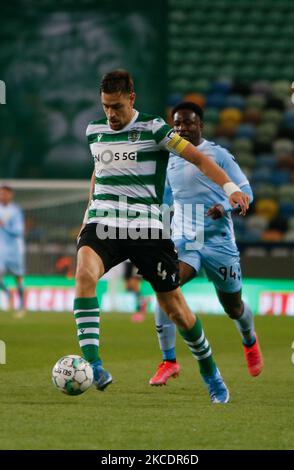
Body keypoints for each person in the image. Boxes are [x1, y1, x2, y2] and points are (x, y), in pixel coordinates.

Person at [74, 70, 250, 404]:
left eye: (117, 107)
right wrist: (87, 217)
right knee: (84, 274)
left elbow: (197, 158)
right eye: (106, 106)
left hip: (147, 230)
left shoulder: (155, 128)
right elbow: (98, 174)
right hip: (104, 223)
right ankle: (95, 365)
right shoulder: (93, 131)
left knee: (176, 309)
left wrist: (229, 188)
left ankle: (210, 371)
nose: (111, 114)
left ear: (132, 98)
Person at [149, 102, 263, 386]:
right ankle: (169, 361)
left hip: (218, 241)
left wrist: (224, 207)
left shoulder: (218, 156)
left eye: (187, 123)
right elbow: (165, 200)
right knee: (166, 288)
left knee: (233, 306)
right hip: (186, 240)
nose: (181, 128)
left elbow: (245, 191)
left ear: (200, 125)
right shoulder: (171, 158)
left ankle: (249, 340)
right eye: (177, 124)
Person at [0, 185, 26, 317]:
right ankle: (7, 293)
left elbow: (19, 231)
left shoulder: (15, 211)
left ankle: (21, 306)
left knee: (18, 278)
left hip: (14, 250)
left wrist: (5, 226)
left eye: (5, 194)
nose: (2, 196)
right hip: (1, 250)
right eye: (1, 193)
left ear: (10, 195)